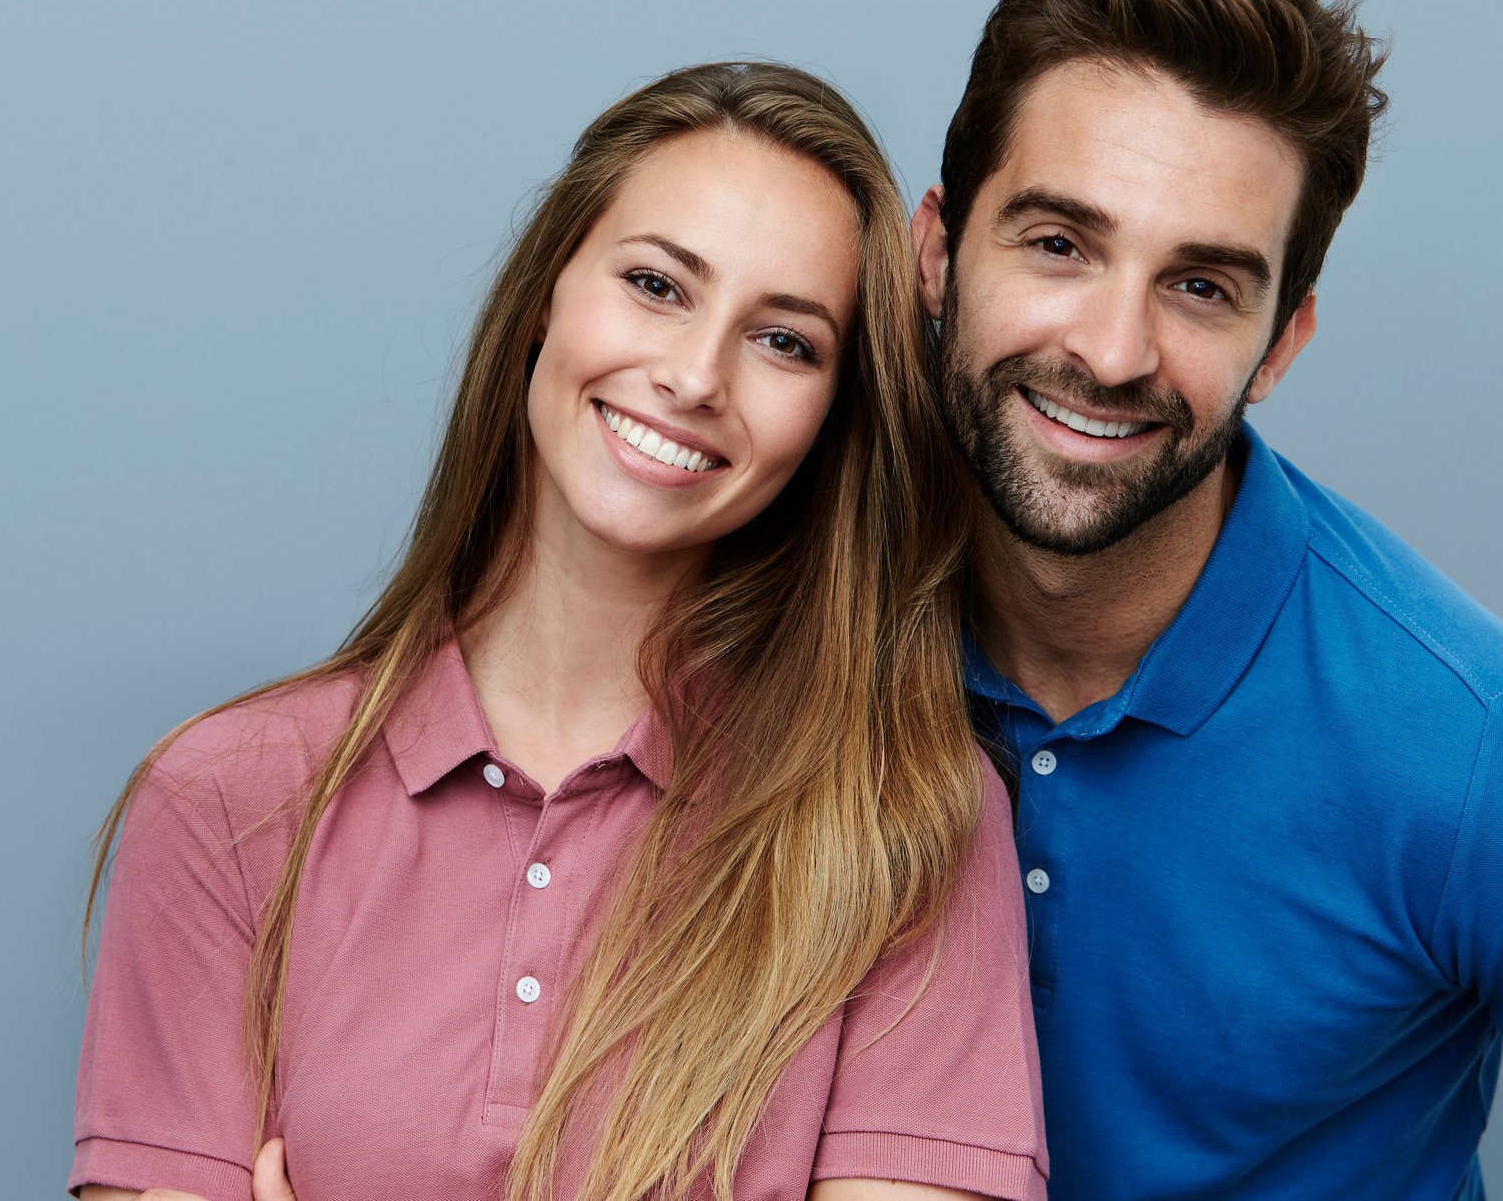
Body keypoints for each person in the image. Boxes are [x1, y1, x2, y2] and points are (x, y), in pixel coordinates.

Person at [69, 62, 1049, 1201]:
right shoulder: (225, 802)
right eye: (654, 283)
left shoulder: (904, 827)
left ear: (831, 421)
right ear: (547, 293)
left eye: (785, 342)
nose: (691, 375)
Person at [912, 0, 1503, 1198]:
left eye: (1201, 287)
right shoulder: (805, 622)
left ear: (1281, 343)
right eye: (1060, 245)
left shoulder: (1482, 753)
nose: (1113, 351)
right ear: (938, 255)